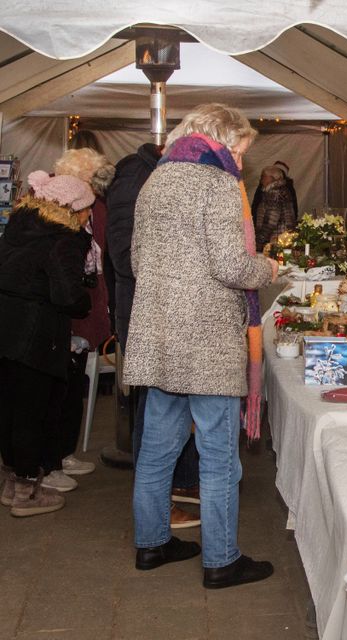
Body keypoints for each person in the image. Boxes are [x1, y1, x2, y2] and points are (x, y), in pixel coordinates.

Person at [124, 103, 279, 588]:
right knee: (217, 456)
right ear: (220, 138)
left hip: (159, 334)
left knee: (156, 451)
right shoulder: (215, 184)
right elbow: (233, 265)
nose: (239, 159)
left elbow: (134, 258)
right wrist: (269, 270)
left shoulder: (158, 178)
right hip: (207, 338)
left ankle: (151, 545)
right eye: (239, 149)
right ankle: (221, 559)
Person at [106, 141, 201, 528]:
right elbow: (124, 254)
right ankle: (158, 509)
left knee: (171, 407)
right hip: (147, 313)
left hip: (163, 310)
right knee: (154, 411)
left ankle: (180, 481)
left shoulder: (155, 174)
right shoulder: (135, 176)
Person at [0, 171, 94, 516]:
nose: (88, 216)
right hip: (37, 334)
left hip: (7, 326)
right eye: (86, 209)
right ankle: (26, 491)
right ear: (73, 210)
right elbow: (66, 294)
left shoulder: (19, 226)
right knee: (34, 411)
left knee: (9, 408)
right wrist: (84, 298)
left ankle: (12, 484)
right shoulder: (63, 239)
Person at [46, 148, 115, 489]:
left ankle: (63, 454)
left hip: (84, 307)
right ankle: (48, 463)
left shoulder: (95, 208)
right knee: (55, 390)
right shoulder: (52, 207)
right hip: (61, 312)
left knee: (74, 388)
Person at [253, 164, 297, 251]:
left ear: (272, 178)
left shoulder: (274, 193)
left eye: (263, 177)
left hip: (274, 240)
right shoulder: (283, 190)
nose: (261, 180)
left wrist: (259, 241)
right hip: (284, 238)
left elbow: (270, 222)